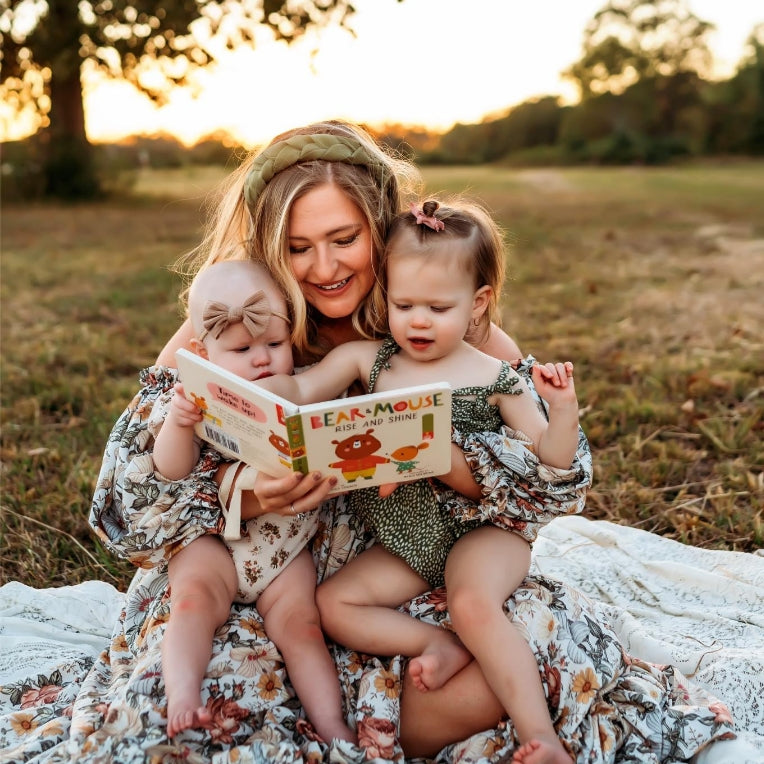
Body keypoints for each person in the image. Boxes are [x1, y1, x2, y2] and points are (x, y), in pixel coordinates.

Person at [89, 119, 734, 762]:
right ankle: (331, 718)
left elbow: (553, 486)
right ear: (268, 247)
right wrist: (249, 493)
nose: (324, 267)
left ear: (379, 228)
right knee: (210, 704)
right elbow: (126, 501)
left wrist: (457, 467)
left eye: (344, 239)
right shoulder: (235, 318)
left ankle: (382, 716)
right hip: (259, 572)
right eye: (298, 247)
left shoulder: (444, 326)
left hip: (404, 560)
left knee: (524, 650)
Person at [254, 198, 579, 764]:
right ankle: (437, 643)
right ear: (386, 297)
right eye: (404, 304)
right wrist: (244, 379)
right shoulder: (370, 361)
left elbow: (552, 464)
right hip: (406, 537)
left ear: (477, 304)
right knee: (333, 603)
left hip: (482, 532)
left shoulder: (497, 378)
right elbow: (299, 394)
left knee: (471, 601)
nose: (418, 321)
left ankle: (541, 738)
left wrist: (562, 407)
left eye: (437, 306)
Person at [149, 259, 354, 743]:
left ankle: (331, 723)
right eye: (242, 349)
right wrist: (179, 425)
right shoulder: (193, 396)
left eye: (275, 345)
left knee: (302, 625)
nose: (262, 360)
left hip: (284, 547)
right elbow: (172, 472)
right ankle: (182, 697)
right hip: (215, 544)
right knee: (193, 601)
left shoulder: (299, 386)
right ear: (201, 352)